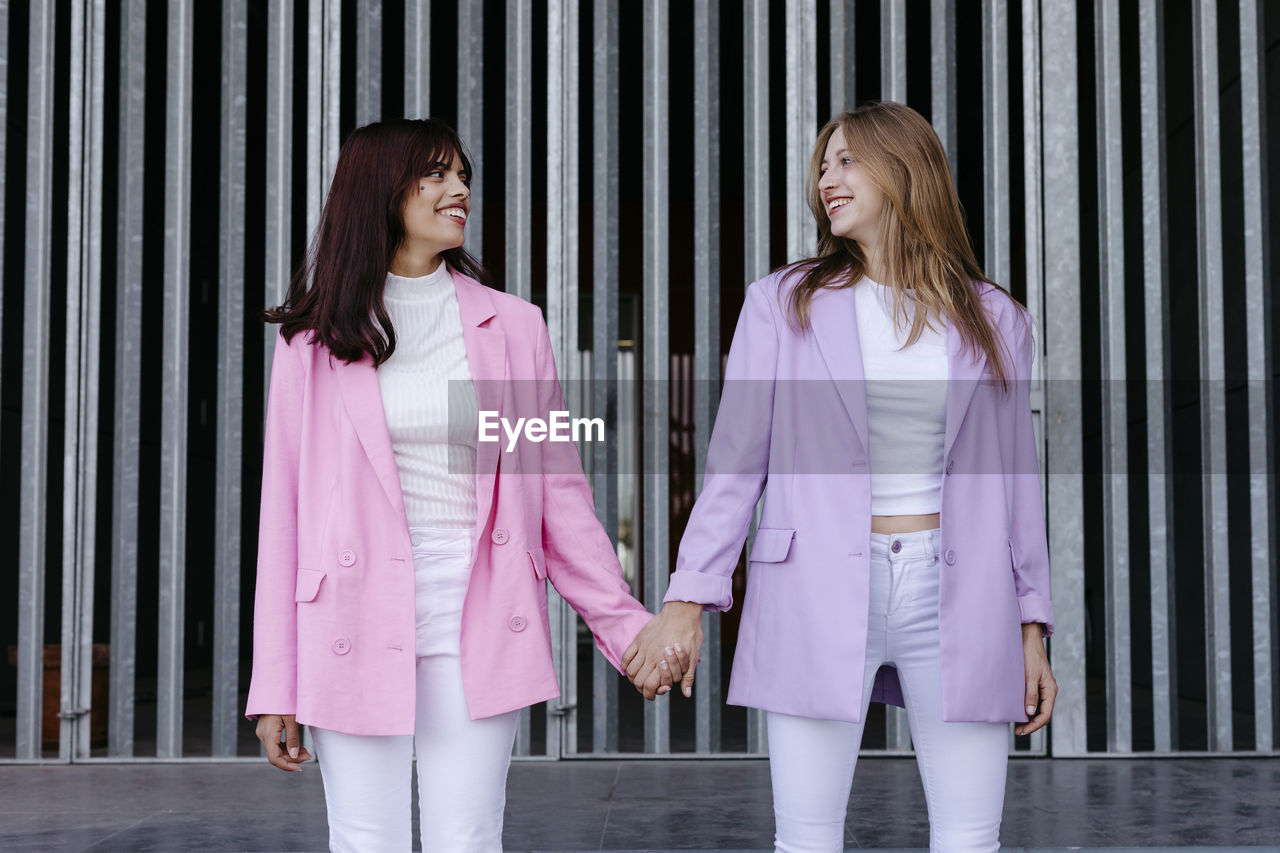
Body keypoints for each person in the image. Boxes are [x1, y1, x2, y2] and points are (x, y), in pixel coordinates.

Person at [625, 101, 1057, 852]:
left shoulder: (996, 319)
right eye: (823, 164)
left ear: (905, 168)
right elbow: (735, 463)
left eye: (848, 159)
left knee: (970, 835)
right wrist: (688, 597)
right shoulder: (782, 304)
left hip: (962, 590)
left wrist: (1032, 627)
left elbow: (1015, 484)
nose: (827, 177)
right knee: (807, 836)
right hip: (814, 584)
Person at [245, 118, 686, 852]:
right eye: (438, 174)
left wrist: (624, 625)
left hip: (475, 604)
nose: (460, 191)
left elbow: (558, 498)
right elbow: (283, 522)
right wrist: (275, 686)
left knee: (469, 835)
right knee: (364, 838)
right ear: (380, 190)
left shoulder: (512, 327)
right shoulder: (312, 343)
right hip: (349, 615)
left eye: (463, 177)